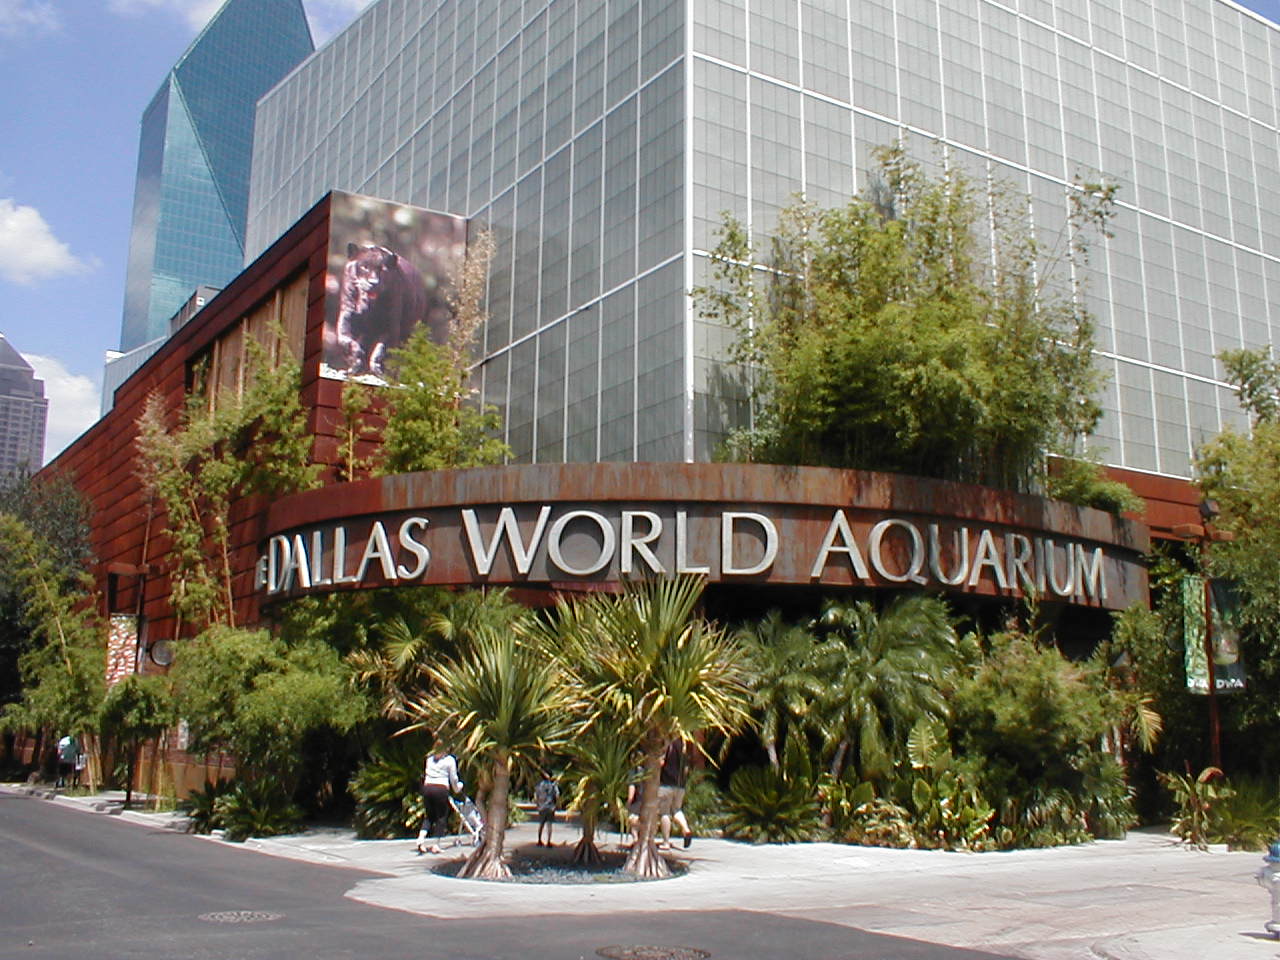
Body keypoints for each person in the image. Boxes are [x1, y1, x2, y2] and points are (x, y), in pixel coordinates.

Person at [416, 743, 463, 855]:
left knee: (429, 816)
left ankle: (421, 839)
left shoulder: (429, 759)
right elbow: (453, 778)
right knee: (441, 816)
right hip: (441, 789)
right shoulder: (449, 760)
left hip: (427, 788)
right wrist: (458, 787)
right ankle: (436, 844)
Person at [657, 740, 693, 850]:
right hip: (680, 785)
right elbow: (686, 767)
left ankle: (666, 842)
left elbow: (660, 762)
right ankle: (686, 829)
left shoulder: (667, 744)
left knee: (665, 813)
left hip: (666, 783)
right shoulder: (683, 745)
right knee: (676, 809)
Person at [534, 768, 560, 847]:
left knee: (541, 824)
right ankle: (548, 842)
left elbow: (536, 796)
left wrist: (538, 804)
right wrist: (557, 804)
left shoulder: (539, 785)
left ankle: (539, 840)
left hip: (541, 807)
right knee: (549, 824)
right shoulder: (553, 785)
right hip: (550, 807)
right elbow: (557, 795)